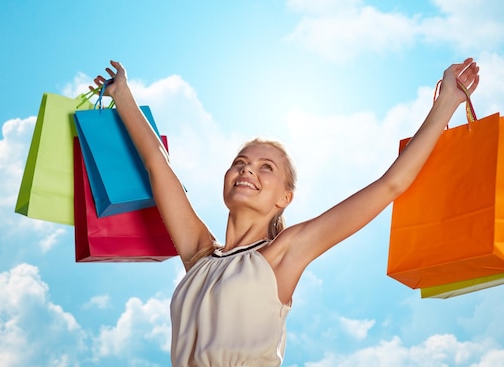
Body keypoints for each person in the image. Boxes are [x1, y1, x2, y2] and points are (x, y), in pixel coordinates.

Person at [90, 59, 480, 366]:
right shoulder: (199, 256)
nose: (247, 170)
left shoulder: (284, 253)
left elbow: (389, 185)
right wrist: (122, 94)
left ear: (284, 198)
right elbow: (158, 165)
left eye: (266, 168)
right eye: (240, 162)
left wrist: (446, 102)